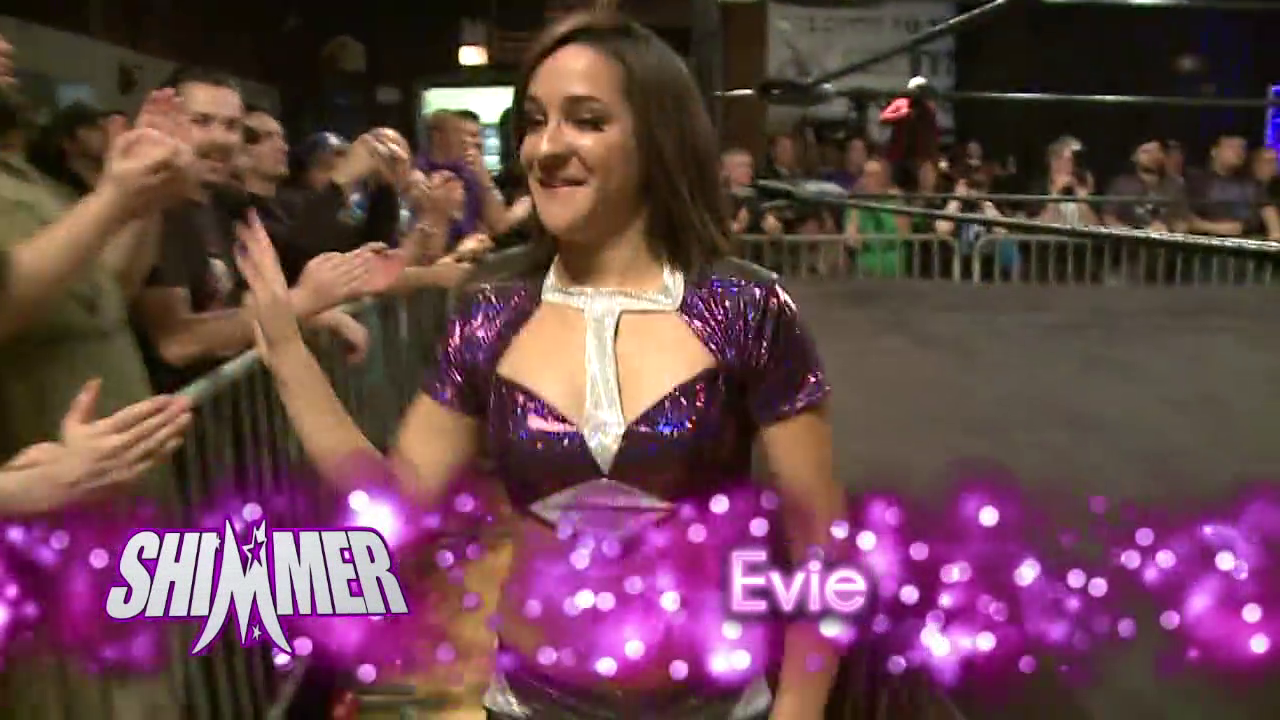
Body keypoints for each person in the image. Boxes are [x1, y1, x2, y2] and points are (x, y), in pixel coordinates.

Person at [236, 11, 844, 720]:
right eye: (534, 121)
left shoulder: (745, 307)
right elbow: (396, 503)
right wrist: (287, 354)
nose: (547, 148)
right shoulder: (492, 313)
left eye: (586, 120)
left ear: (657, 136)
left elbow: (823, 547)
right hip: (533, 703)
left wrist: (799, 710)